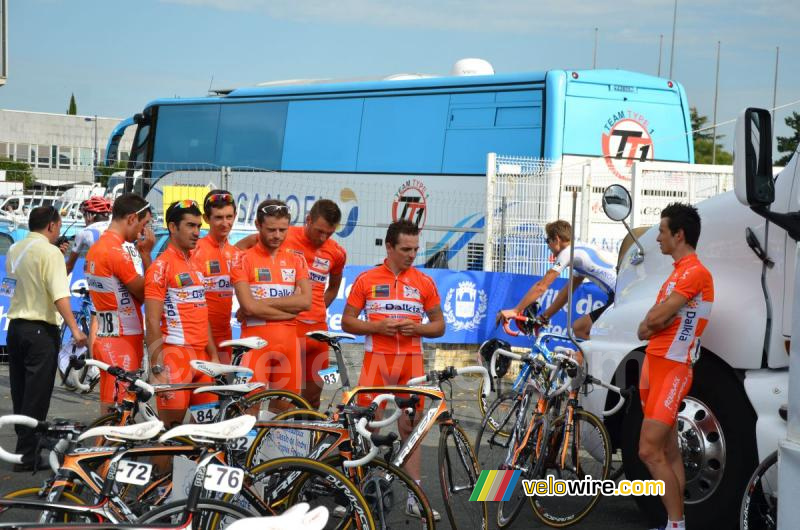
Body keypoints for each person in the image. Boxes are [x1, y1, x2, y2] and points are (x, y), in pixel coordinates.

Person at [341, 219, 444, 516]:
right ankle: (361, 495)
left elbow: (439, 325)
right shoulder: (367, 279)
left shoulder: (424, 282)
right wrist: (376, 327)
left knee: (411, 428)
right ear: (389, 247)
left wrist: (419, 329)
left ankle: (415, 497)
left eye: (415, 249)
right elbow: (347, 321)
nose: (412, 254)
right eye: (405, 249)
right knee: (368, 427)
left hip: (411, 364)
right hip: (377, 361)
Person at [636, 203, 713, 530]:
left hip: (672, 368)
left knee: (648, 451)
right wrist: (657, 320)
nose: (658, 238)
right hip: (653, 364)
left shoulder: (695, 272)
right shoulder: (677, 272)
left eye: (662, 231)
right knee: (668, 451)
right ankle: (674, 523)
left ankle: (676, 525)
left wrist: (658, 320)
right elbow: (646, 326)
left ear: (679, 235)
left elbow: (654, 319)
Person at [237, 199, 347, 408]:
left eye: (329, 233)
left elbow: (333, 288)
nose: (323, 237)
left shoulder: (337, 252)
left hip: (318, 331)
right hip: (290, 329)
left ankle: (303, 429)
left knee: (312, 398)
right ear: (308, 220)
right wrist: (249, 301)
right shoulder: (283, 234)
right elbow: (237, 251)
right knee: (262, 399)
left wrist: (317, 307)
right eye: (319, 231)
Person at [5, 206, 88, 471]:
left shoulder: (15, 248)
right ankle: (27, 455)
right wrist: (76, 330)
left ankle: (24, 447)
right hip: (41, 330)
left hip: (16, 326)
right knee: (37, 395)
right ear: (52, 226)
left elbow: (27, 283)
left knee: (20, 391)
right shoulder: (50, 253)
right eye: (58, 226)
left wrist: (58, 258)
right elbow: (59, 295)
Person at [144, 200, 219, 426]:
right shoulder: (161, 267)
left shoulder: (197, 263)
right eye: (190, 225)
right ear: (172, 227)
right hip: (175, 358)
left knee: (205, 433)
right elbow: (152, 320)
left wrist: (214, 355)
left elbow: (202, 313)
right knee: (170, 434)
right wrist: (157, 368)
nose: (196, 232)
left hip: (202, 360)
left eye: (198, 226)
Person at [231, 199, 311, 405]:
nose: (277, 235)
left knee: (283, 413)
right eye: (271, 229)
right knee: (248, 410)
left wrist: (262, 303)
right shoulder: (242, 259)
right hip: (255, 347)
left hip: (289, 346)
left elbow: (306, 302)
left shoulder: (297, 260)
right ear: (258, 225)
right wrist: (290, 310)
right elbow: (248, 306)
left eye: (283, 230)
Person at [85, 193, 153, 416]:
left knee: (111, 406)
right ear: (132, 218)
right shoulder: (116, 251)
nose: (143, 232)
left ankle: (105, 439)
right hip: (123, 338)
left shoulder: (97, 247)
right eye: (144, 224)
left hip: (108, 336)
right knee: (120, 414)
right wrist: (146, 255)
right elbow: (146, 292)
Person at [499, 220, 616, 340]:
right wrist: (544, 317)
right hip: (620, 294)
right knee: (580, 328)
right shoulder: (579, 251)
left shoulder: (567, 253)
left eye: (548, 241)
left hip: (619, 297)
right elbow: (566, 293)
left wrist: (516, 310)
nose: (548, 246)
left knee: (580, 329)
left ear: (556, 239)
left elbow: (541, 286)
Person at [191, 190, 240, 365]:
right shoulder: (195, 250)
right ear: (206, 218)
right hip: (199, 336)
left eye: (229, 217)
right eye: (218, 217)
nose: (225, 223)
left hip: (225, 336)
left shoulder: (236, 253)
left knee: (225, 381)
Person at [66, 196, 113, 275]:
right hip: (126, 268)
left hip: (104, 274)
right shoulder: (115, 225)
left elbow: (69, 266)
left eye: (84, 215)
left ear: (90, 216)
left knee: (87, 265)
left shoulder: (84, 232)